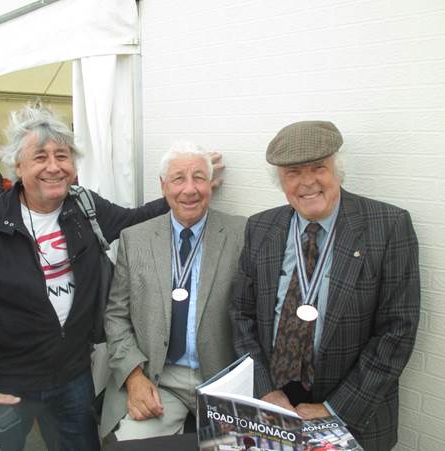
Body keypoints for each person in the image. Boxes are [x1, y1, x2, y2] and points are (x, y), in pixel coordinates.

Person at [0, 106, 173, 451]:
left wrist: (180, 192)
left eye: (62, 156)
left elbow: (133, 219)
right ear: (18, 166)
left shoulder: (84, 207)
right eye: (40, 157)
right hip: (8, 379)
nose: (53, 166)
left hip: (72, 374)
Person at [230, 121, 420, 450]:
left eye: (318, 167)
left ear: (337, 169)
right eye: (293, 172)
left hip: (352, 411)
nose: (307, 182)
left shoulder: (387, 226)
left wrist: (334, 409)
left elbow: (397, 331)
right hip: (274, 405)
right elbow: (241, 313)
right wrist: (264, 389)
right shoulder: (260, 227)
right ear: (281, 181)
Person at [100, 142, 246, 441]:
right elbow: (116, 316)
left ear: (210, 184)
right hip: (159, 378)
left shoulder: (242, 233)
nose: (189, 189)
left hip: (221, 379)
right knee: (130, 445)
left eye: (199, 178)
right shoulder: (134, 239)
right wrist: (133, 376)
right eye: (179, 178)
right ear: (163, 186)